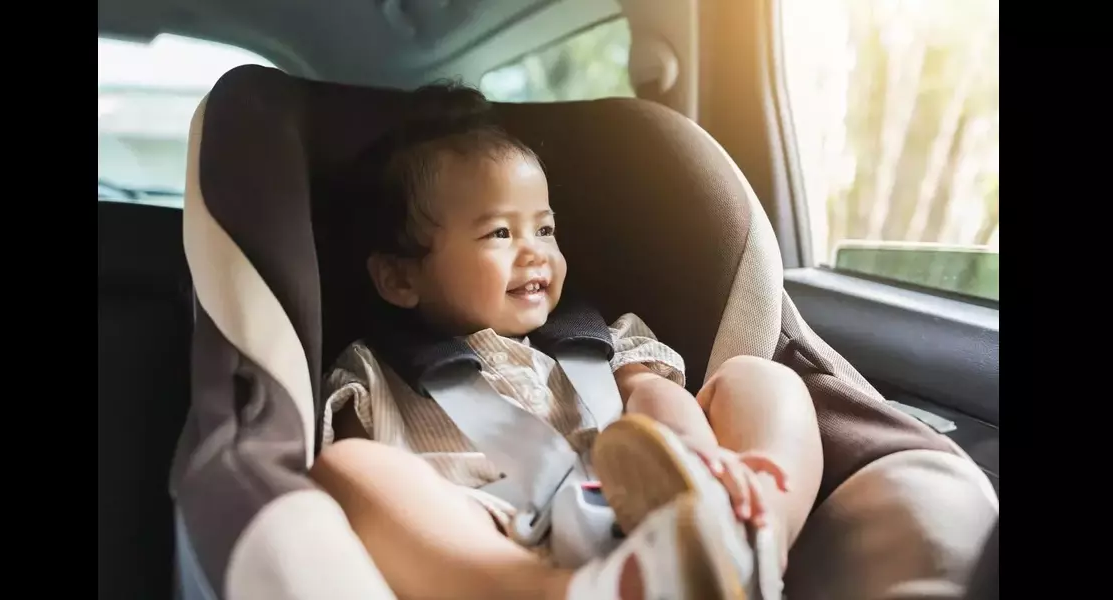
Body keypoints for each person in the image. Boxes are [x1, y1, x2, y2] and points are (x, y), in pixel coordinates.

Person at [310, 82, 824, 600]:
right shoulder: (373, 374)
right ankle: (568, 590)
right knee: (347, 467)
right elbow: (376, 490)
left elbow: (653, 393)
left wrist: (689, 451)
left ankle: (756, 533)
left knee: (760, 379)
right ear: (401, 279)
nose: (534, 253)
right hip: (499, 536)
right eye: (499, 234)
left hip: (651, 500)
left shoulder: (599, 339)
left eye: (545, 230)